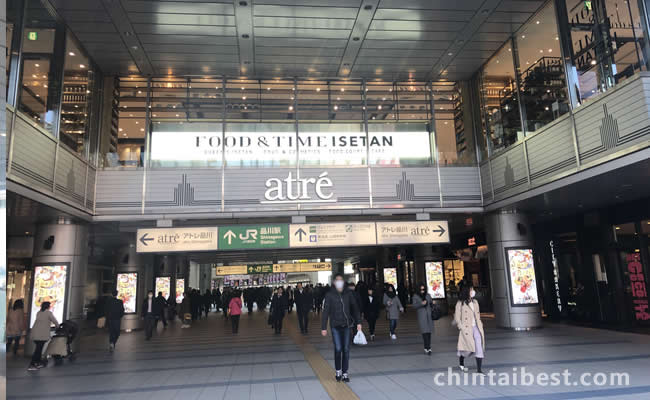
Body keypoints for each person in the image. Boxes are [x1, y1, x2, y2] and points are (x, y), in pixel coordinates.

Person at [321, 274, 362, 383]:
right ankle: (338, 371)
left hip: (347, 326)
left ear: (344, 282)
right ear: (334, 282)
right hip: (335, 326)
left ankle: (345, 373)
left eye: (341, 280)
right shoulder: (329, 295)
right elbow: (326, 311)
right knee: (338, 348)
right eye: (337, 280)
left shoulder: (348, 294)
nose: (339, 282)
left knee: (346, 349)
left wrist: (359, 322)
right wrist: (323, 327)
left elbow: (355, 308)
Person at [454, 285, 486, 375]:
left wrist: (480, 325)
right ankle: (461, 359)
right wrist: (461, 327)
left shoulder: (475, 302)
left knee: (478, 346)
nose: (473, 291)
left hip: (476, 327)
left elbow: (477, 316)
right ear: (466, 291)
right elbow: (457, 317)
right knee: (468, 349)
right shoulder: (460, 303)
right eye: (471, 289)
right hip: (466, 329)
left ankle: (479, 370)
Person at [28, 301, 59, 371]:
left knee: (39, 349)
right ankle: (32, 364)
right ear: (48, 306)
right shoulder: (48, 313)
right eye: (49, 305)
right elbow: (55, 321)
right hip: (41, 335)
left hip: (35, 333)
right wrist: (58, 326)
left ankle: (38, 362)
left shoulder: (39, 312)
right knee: (38, 350)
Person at [412, 283, 434, 355]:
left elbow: (431, 303)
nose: (422, 291)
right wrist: (421, 304)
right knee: (424, 332)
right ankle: (427, 347)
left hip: (429, 316)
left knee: (429, 332)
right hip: (422, 316)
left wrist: (432, 303)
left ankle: (428, 347)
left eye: (423, 289)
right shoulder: (415, 296)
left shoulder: (428, 295)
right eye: (421, 289)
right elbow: (414, 306)